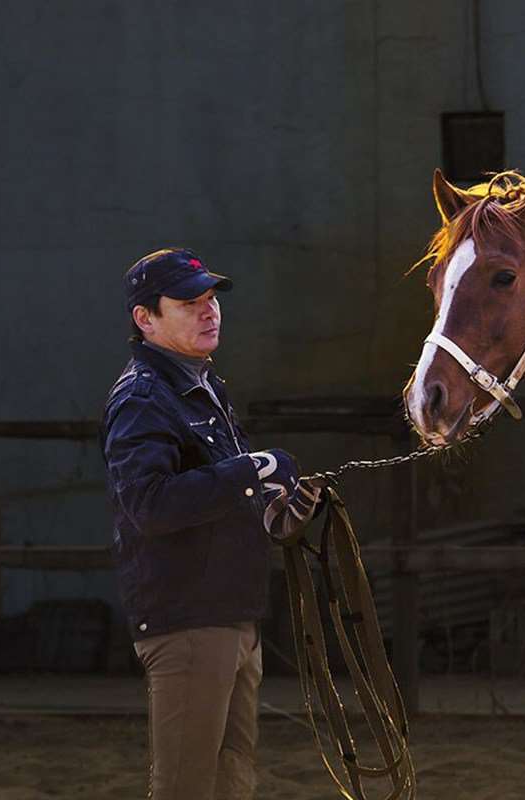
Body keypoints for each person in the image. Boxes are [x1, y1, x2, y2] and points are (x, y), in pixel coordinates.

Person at [100, 248, 321, 800]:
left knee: (231, 776)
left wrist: (276, 513)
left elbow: (213, 499)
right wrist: (252, 471)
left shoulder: (202, 387)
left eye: (211, 298)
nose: (209, 311)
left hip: (229, 617)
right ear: (145, 318)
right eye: (189, 302)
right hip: (190, 620)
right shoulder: (143, 398)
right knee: (185, 786)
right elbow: (148, 505)